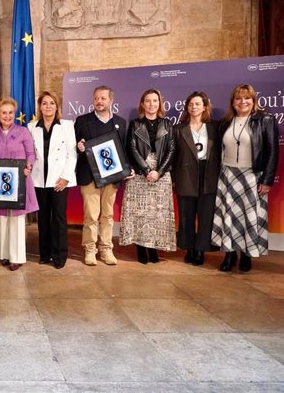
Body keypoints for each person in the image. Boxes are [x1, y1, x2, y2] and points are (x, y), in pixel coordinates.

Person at [212, 84, 279, 272]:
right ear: (233, 102)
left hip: (252, 176)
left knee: (250, 218)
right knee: (229, 217)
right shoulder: (226, 122)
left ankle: (247, 255)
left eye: (247, 98)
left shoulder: (265, 120)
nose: (243, 102)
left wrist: (267, 180)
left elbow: (272, 151)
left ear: (253, 100)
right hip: (228, 174)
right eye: (238, 98)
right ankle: (230, 254)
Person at [119, 88, 177, 263]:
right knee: (140, 213)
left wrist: (158, 172)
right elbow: (131, 148)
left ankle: (153, 249)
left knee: (157, 214)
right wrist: (146, 170)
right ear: (142, 104)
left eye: (155, 101)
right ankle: (141, 249)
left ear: (159, 103)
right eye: (148, 101)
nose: (151, 104)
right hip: (140, 173)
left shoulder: (167, 124)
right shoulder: (135, 124)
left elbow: (171, 149)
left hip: (161, 172)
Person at [74, 85, 127, 266]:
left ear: (111, 101)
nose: (99, 101)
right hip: (89, 176)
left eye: (103, 98)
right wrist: (79, 147)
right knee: (90, 215)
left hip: (111, 178)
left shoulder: (121, 122)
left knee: (108, 215)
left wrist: (127, 170)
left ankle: (106, 250)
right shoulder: (82, 121)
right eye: (96, 98)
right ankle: (90, 250)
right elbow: (74, 146)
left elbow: (123, 150)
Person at [0, 98, 38, 271]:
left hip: (20, 180)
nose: (7, 116)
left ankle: (16, 257)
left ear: (14, 114)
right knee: (3, 218)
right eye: (4, 112)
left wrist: (29, 166)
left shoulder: (23, 132)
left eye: (10, 112)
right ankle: (4, 254)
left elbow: (31, 154)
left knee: (16, 219)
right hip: (1, 183)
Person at [28, 91, 77, 269]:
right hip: (39, 179)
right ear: (40, 107)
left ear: (57, 106)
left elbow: (72, 154)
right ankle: (44, 254)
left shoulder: (66, 125)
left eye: (52, 103)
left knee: (58, 218)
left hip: (59, 180)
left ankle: (59, 255)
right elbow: (30, 154)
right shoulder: (32, 126)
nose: (48, 106)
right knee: (42, 218)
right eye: (44, 103)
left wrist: (65, 177)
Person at [172, 92, 220, 266]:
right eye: (191, 104)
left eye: (197, 104)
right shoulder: (178, 129)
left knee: (206, 215)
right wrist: (173, 178)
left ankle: (200, 250)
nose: (194, 107)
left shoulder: (215, 127)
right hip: (185, 175)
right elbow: (173, 156)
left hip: (208, 175)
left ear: (205, 107)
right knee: (186, 216)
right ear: (186, 107)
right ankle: (189, 248)